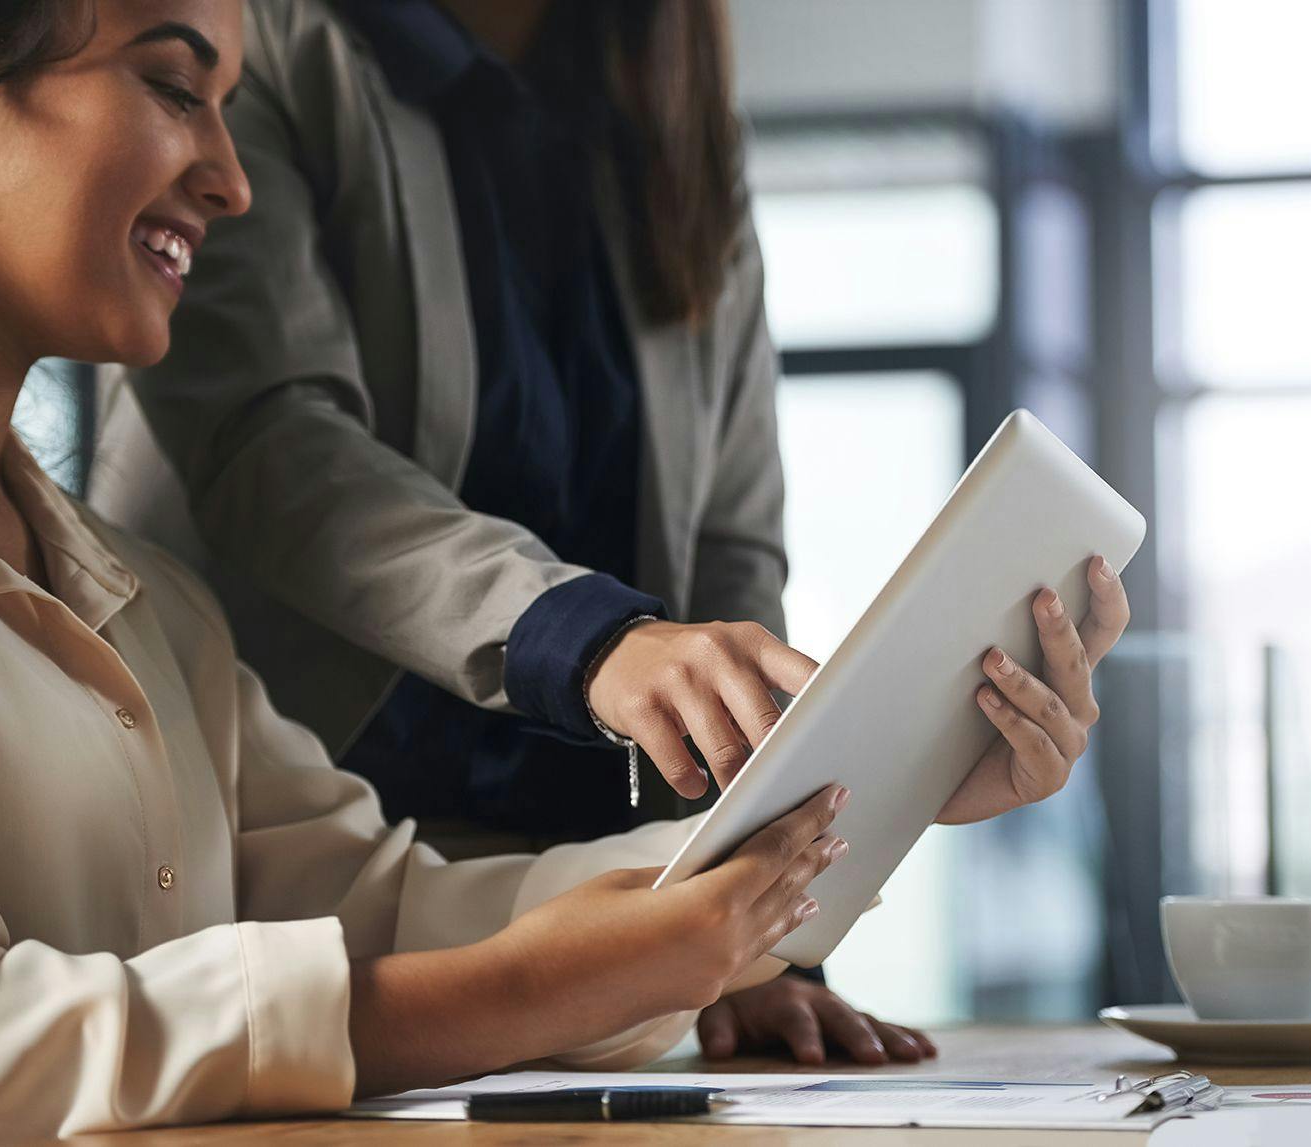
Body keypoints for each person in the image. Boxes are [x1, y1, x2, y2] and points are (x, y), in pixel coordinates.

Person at [91, 0, 1134, 1066]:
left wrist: (767, 930)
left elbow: (733, 549)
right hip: (308, 872)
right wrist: (585, 638)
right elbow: (273, 447)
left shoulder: (667, 108)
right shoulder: (260, 42)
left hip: (583, 899)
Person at [0, 0, 857, 1135]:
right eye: (171, 88)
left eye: (225, 109)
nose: (232, 181)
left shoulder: (160, 619)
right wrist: (526, 979)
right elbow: (276, 442)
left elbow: (378, 909)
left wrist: (864, 779)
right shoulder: (309, 42)